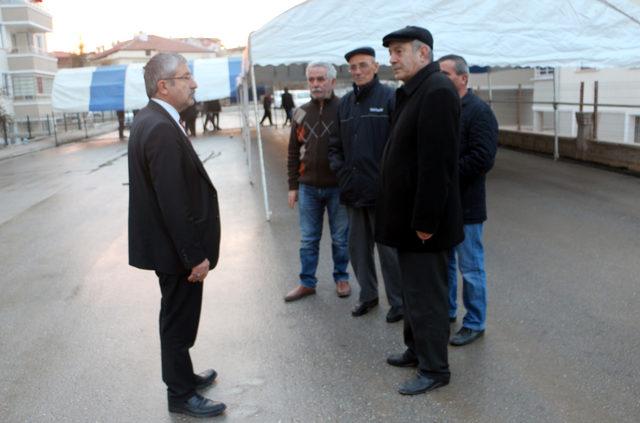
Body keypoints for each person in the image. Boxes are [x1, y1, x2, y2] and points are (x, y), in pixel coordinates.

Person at [128, 53, 225, 418]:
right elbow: (173, 201)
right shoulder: (159, 128)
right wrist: (194, 256)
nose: (194, 83)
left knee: (177, 317)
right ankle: (181, 395)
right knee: (177, 323)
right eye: (186, 77)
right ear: (163, 86)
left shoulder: (153, 119)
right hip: (176, 251)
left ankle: (184, 376)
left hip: (169, 247)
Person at [375, 26, 463, 395]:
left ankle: (434, 368)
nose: (391, 59)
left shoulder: (438, 92)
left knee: (427, 297)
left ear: (422, 53)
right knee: (412, 294)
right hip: (406, 222)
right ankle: (416, 349)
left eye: (398, 51)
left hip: (425, 225)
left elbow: (437, 164)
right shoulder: (411, 92)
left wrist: (426, 221)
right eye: (391, 52)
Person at [328, 47, 403, 322]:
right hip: (352, 191)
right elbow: (334, 146)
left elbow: (400, 145)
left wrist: (390, 180)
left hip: (382, 193)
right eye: (353, 67)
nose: (357, 71)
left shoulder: (390, 99)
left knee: (389, 253)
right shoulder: (345, 104)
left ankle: (398, 303)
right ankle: (368, 296)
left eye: (362, 65)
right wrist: (342, 173)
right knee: (358, 250)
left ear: (375, 66)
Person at [438, 54, 498, 346]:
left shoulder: (478, 112)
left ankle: (475, 321)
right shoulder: (441, 109)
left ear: (464, 78)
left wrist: (444, 175)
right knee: (446, 262)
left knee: (470, 267)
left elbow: (483, 158)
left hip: (468, 206)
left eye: (446, 74)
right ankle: (448, 312)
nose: (441, 79)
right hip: (444, 205)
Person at [284, 61, 350, 302]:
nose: (315, 84)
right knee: (308, 239)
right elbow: (293, 151)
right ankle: (307, 282)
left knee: (341, 238)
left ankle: (342, 277)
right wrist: (293, 185)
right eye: (311, 80)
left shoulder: (345, 108)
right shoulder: (300, 112)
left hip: (338, 187)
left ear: (332, 81)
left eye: (321, 79)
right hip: (308, 186)